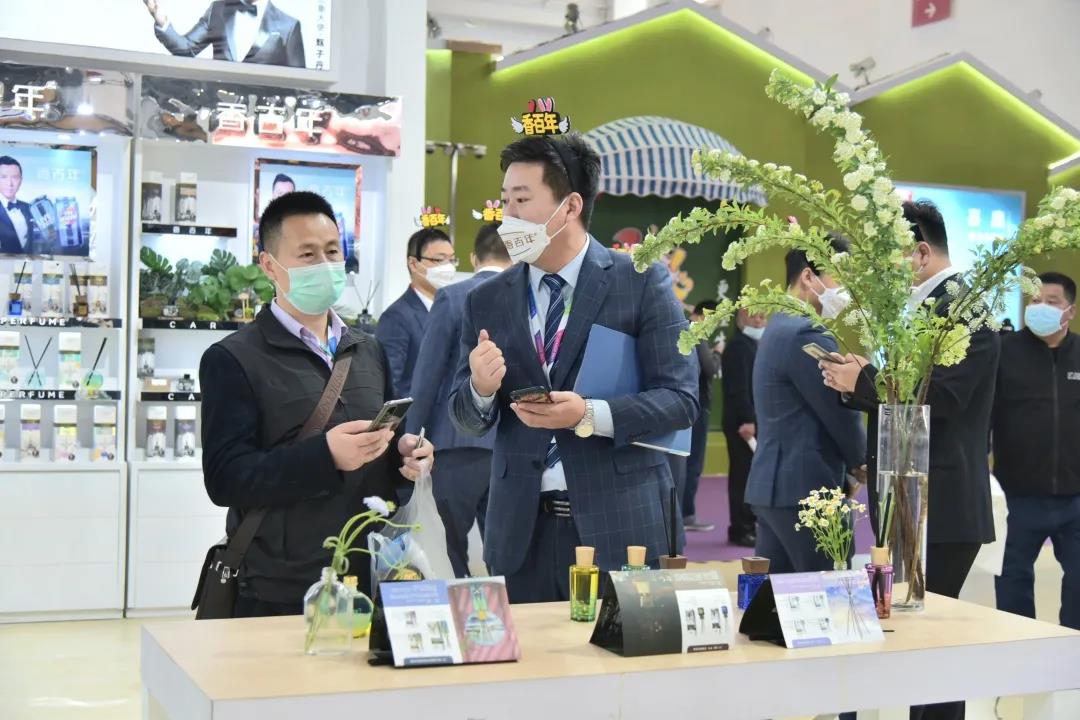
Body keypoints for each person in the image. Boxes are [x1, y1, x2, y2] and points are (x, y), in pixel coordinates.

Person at [448, 133, 698, 603]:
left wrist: (588, 414)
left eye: (522, 200)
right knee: (530, 651)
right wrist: (480, 388)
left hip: (621, 524)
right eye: (505, 200)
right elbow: (465, 417)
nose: (507, 215)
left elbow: (680, 400)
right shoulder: (487, 299)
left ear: (570, 206)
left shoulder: (640, 282)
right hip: (520, 531)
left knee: (619, 650)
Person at [199, 191, 432, 617]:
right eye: (307, 255)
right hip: (278, 586)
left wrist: (403, 455)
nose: (324, 265)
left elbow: (381, 446)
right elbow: (225, 479)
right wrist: (325, 456)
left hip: (367, 572)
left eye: (332, 251)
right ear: (270, 265)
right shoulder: (234, 358)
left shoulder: (368, 349)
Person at [821, 200, 1000, 720]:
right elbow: (909, 394)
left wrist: (866, 380)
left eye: (886, 259)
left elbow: (944, 396)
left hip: (942, 503)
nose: (881, 273)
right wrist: (860, 379)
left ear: (920, 252)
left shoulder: (966, 308)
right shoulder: (926, 309)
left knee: (934, 645)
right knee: (920, 642)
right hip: (912, 497)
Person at [747, 237, 866, 573]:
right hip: (808, 489)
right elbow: (838, 411)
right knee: (830, 594)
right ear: (808, 277)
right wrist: (862, 461)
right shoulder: (806, 332)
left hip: (774, 487)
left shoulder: (778, 325)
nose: (845, 292)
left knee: (773, 598)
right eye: (840, 278)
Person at [406, 223, 509, 577]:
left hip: (455, 445)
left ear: (474, 258)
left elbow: (427, 376)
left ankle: (457, 609)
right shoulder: (528, 299)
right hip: (511, 450)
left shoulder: (453, 297)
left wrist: (412, 440)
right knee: (504, 552)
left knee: (448, 550)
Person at [993, 271, 1080, 630]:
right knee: (1012, 580)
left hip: (1075, 497)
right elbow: (983, 415)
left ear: (1070, 311)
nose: (1041, 307)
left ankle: (1073, 650)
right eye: (1035, 300)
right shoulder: (1004, 351)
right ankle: (1020, 649)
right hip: (1017, 494)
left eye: (1051, 301)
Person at [375, 228, 456, 398]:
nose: (448, 267)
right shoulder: (396, 317)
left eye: (452, 260)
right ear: (413, 264)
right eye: (439, 260)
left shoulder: (452, 311)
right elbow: (389, 385)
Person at [720, 306, 767, 546]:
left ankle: (748, 525)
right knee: (742, 477)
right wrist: (747, 419)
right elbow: (739, 388)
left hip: (751, 421)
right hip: (742, 423)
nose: (759, 321)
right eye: (754, 316)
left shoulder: (753, 345)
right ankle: (741, 528)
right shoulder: (739, 346)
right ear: (741, 320)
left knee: (749, 475)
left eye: (762, 316)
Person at [143, 0, 306, 68]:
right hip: (219, 110)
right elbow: (186, 49)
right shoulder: (218, 9)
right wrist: (162, 21)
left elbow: (300, 83)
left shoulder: (288, 26)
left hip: (264, 118)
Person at [680, 299, 721, 533]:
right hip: (697, 406)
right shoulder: (696, 332)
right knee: (693, 462)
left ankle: (681, 513)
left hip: (685, 405)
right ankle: (687, 514)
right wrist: (718, 354)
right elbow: (710, 368)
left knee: (683, 462)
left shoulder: (681, 328)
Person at [0, 156, 37, 255]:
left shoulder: (29, 208)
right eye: (3, 177)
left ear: (21, 180)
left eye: (15, 177)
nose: (10, 183)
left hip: (29, 263)